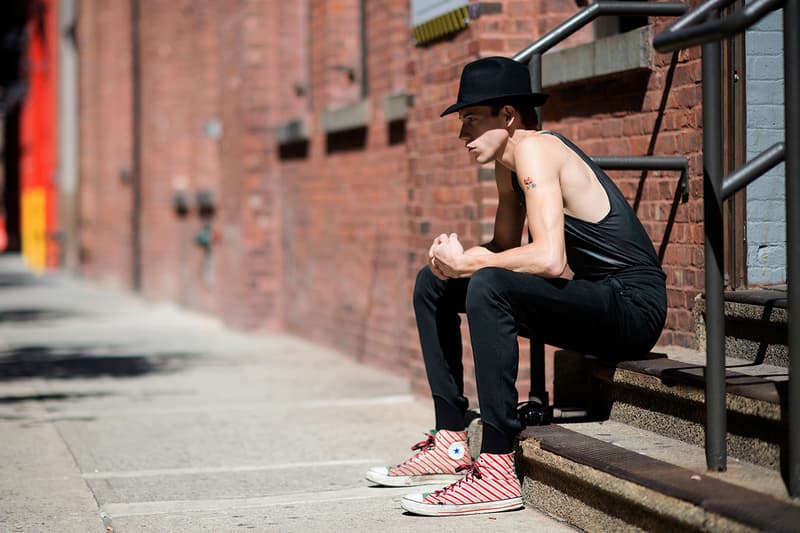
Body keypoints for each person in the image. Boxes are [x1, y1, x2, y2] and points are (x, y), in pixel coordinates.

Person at [365, 56, 667, 516]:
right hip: (596, 302)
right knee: (434, 283)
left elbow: (548, 258)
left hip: (632, 307)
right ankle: (449, 440)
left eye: (470, 121)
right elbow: (504, 248)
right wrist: (454, 262)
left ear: (507, 116)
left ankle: (497, 465)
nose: (461, 135)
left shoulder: (536, 150)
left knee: (486, 284)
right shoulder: (508, 165)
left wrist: (470, 266)